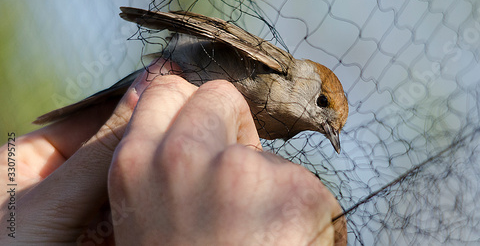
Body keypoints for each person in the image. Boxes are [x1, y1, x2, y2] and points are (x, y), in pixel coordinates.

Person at [0, 60, 346, 245]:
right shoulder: (279, 68)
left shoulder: (287, 127)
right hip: (168, 79)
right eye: (320, 104)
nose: (321, 121)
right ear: (303, 82)